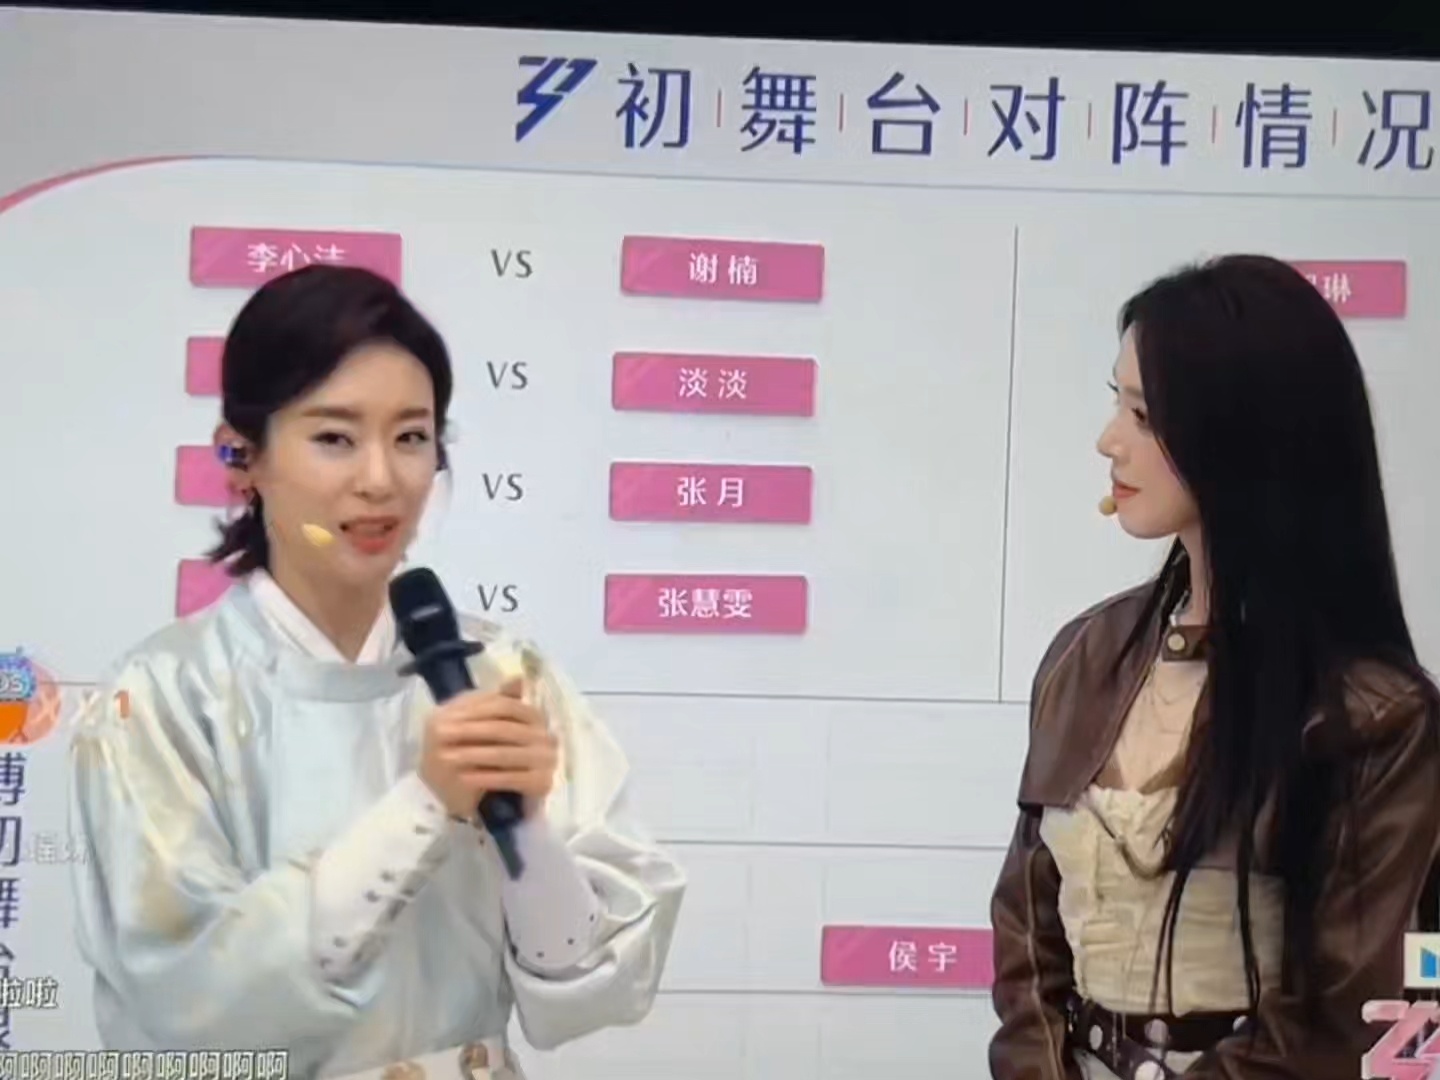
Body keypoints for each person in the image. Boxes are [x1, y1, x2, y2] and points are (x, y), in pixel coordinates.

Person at [68, 265, 686, 1079]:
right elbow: (184, 1002)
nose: (380, 480)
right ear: (241, 455)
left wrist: (527, 831)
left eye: (411, 437)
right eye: (334, 437)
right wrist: (425, 805)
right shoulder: (156, 698)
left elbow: (594, 982)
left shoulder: (505, 675)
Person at [988, 254, 1440, 1079]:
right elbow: (1027, 940)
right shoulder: (1084, 656)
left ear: (1245, 438)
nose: (1109, 441)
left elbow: (1347, 1015)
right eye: (1117, 402)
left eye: (1143, 414)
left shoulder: (1378, 716)